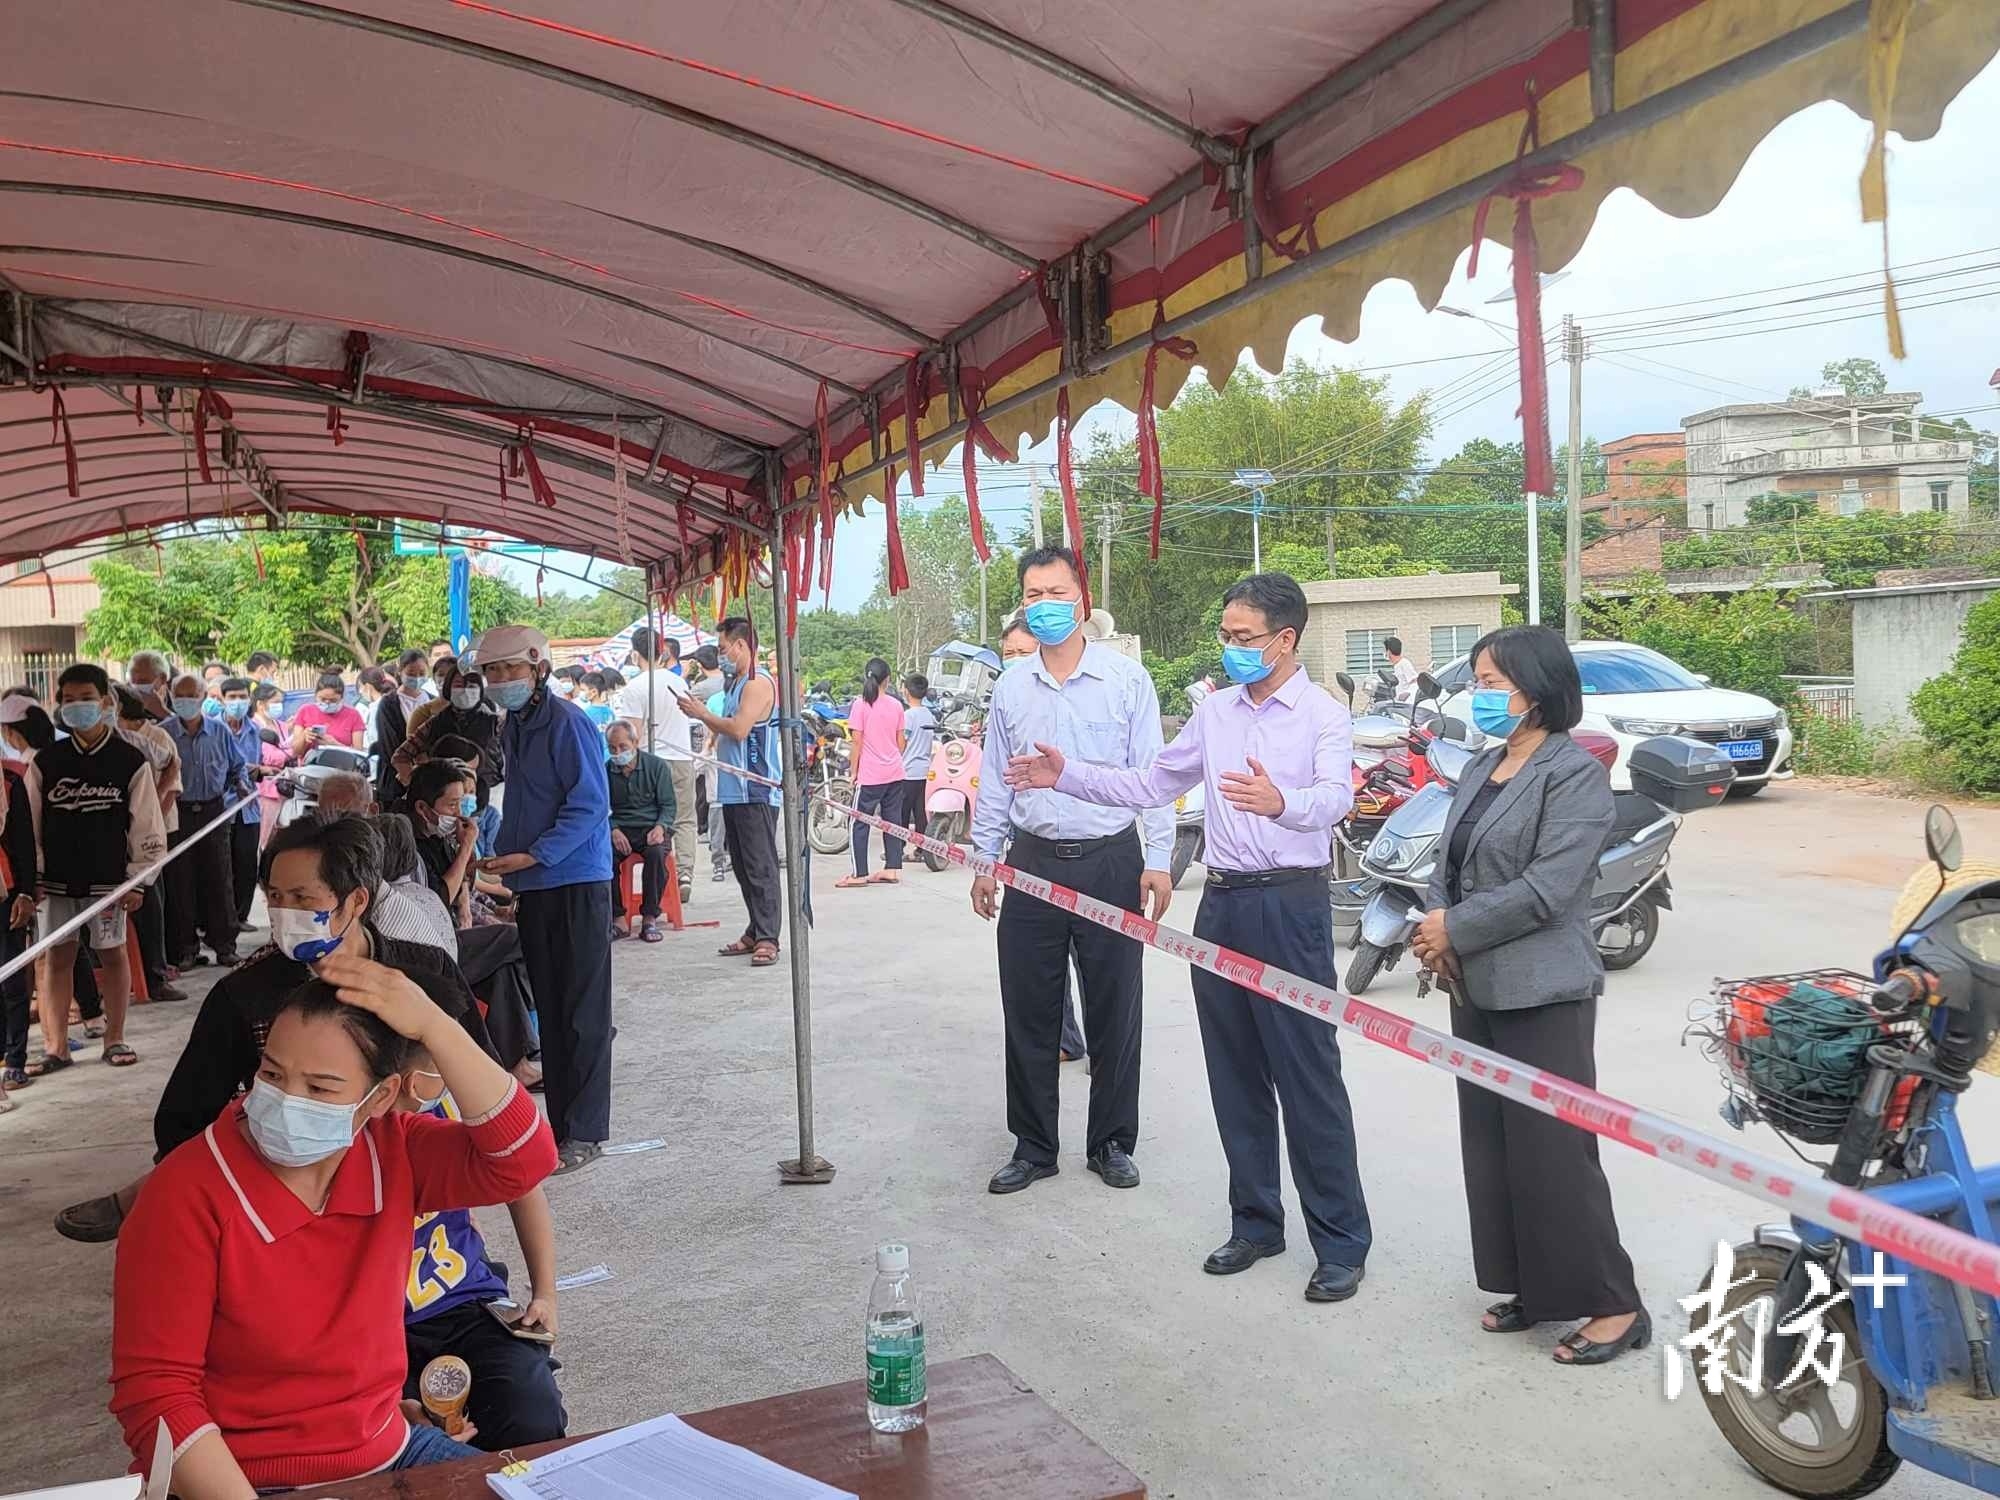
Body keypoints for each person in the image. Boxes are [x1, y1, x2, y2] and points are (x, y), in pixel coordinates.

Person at [1006, 572, 1373, 1302]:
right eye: (1226, 638)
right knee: (1234, 1072)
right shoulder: (1216, 715)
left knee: (1307, 1076)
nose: (1233, 650)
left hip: (1291, 908)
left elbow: (1336, 798)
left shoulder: (1323, 717)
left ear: (1285, 639)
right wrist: (1067, 774)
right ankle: (1256, 1222)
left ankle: (1340, 1242)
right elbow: (1150, 783)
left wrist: (1285, 802)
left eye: (1245, 639)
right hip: (1225, 907)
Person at [109, 958, 555, 1493]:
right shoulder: (184, 1194)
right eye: (272, 1074)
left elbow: (523, 1159)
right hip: (243, 1477)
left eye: (320, 1088)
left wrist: (436, 1027)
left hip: (388, 1448)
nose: (286, 1100)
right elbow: (156, 1395)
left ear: (382, 1098)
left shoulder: (394, 1151)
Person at [54, 812, 497, 1242]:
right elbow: (183, 1121)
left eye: (304, 899)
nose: (286, 913)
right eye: (276, 898)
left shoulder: (422, 970)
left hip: (410, 1162)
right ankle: (142, 1195)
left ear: (357, 901)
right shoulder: (246, 993)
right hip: (298, 1175)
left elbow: (484, 1075)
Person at [1409, 624, 1647, 1365]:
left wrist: (1458, 927)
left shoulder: (1572, 774)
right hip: (1475, 981)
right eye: (1475, 683)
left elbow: (1548, 888)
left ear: (1538, 692)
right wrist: (1439, 933)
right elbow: (1453, 858)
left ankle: (1614, 1305)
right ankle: (1538, 1289)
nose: (1478, 696)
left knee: (1555, 1151)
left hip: (1544, 989)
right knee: (1496, 1148)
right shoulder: (1486, 764)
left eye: (1491, 684)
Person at [969, 548, 1172, 1196]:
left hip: (1110, 859)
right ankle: (1033, 1146)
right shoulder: (1011, 685)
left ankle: (1111, 1142)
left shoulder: (1126, 681)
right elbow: (995, 782)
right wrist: (984, 859)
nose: (1044, 603)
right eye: (1033, 593)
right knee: (1029, 1009)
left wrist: (1159, 859)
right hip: (1031, 861)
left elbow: (1154, 778)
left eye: (1055, 591)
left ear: (1081, 601)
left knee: (1116, 1009)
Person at [475, 625, 614, 1174]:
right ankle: (562, 1128)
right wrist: (509, 855)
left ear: (538, 669)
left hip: (575, 879)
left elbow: (589, 807)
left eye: (510, 670)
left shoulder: (568, 723)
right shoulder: (514, 727)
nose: (500, 681)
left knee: (583, 1009)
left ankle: (584, 1131)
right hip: (535, 882)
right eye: (492, 672)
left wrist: (532, 856)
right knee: (550, 1011)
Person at [391, 1044, 566, 1450]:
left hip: (463, 1301)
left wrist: (546, 1294)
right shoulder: (332, 1142)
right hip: (372, 1330)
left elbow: (524, 1182)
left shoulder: (451, 1105)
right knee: (411, 1445)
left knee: (530, 1411)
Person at [22, 665, 169, 1075]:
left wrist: (140, 878)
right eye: (68, 700)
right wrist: (31, 877)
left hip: (110, 882)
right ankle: (56, 1049)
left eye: (85, 698)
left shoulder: (129, 760)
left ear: (106, 702)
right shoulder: (46, 762)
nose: (77, 707)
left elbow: (147, 826)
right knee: (57, 957)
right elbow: (29, 823)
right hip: (54, 882)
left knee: (113, 954)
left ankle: (115, 1038)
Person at [997, 619, 1089, 1067]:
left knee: (1095, 969)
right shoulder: (1009, 697)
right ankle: (1065, 1038)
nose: (1012, 662)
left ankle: (1098, 1047)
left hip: (1098, 855)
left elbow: (1143, 780)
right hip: (1033, 852)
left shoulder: (1111, 686)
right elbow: (997, 782)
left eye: (1020, 652)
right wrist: (986, 857)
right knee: (1041, 971)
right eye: (1006, 654)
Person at [677, 617, 782, 964]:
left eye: (723, 649)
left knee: (760, 865)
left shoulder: (757, 683)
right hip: (733, 788)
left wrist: (701, 713)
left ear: (741, 646)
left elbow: (738, 729)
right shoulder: (733, 683)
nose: (720, 656)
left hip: (755, 788)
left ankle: (768, 936)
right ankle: (755, 929)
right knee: (742, 865)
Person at [163, 670, 250, 969]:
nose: (186, 701)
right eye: (180, 696)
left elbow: (238, 767)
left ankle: (225, 945)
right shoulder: (164, 734)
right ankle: (186, 948)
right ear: (172, 698)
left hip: (214, 811)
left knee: (219, 878)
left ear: (203, 698)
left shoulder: (220, 731)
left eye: (192, 696)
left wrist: (241, 787)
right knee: (180, 881)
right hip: (177, 813)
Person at [113, 685, 189, 1004]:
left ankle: (155, 976)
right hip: (108, 839)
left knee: (150, 902)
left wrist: (152, 812)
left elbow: (172, 772)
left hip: (148, 835)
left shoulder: (145, 741)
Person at [616, 627, 696, 908]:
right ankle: (684, 876)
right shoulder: (680, 683)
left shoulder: (635, 687)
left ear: (635, 654)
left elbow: (630, 734)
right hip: (682, 757)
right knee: (684, 818)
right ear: (663, 651)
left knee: (655, 821)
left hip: (650, 763)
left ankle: (659, 882)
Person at [0, 695, 44, 1092]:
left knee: (12, 978)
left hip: (6, 892)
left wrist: (26, 894)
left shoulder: (10, 782)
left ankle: (14, 1057)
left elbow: (24, 845)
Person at [393, 666, 505, 808]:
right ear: (448, 689)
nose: (465, 690)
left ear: (480, 690)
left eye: (471, 686)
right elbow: (401, 755)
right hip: (444, 803)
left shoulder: (495, 724)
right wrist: (416, 782)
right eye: (459, 685)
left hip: (487, 799)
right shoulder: (434, 723)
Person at [838, 657, 907, 889]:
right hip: (895, 773)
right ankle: (892, 868)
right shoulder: (896, 705)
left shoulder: (860, 705)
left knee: (858, 822)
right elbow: (900, 742)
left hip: (870, 775)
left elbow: (856, 743)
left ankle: (859, 873)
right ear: (887, 680)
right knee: (893, 821)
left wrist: (853, 772)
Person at [604, 720, 675, 942]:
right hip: (621, 830)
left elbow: (669, 805)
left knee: (656, 855)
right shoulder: (605, 771)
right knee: (603, 858)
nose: (618, 753)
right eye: (612, 748)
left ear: (635, 743)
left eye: (623, 747)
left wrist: (660, 827)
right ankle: (618, 918)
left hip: (651, 827)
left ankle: (649, 917)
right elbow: (599, 808)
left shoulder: (657, 767)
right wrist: (613, 829)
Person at [217, 677, 270, 929]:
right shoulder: (214, 729)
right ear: (222, 699)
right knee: (223, 867)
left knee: (247, 863)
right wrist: (251, 768)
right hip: (221, 806)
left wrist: (256, 770)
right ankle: (222, 918)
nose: (237, 702)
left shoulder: (255, 730)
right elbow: (224, 765)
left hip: (249, 806)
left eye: (241, 697)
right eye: (232, 697)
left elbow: (257, 765)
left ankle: (241, 916)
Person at [372, 648, 433, 800]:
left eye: (421, 673)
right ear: (400, 671)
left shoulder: (433, 701)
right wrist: (407, 767)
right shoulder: (388, 704)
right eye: (411, 674)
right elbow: (389, 743)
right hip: (395, 781)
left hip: (429, 777)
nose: (417, 678)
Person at [896, 672, 936, 872]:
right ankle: (921, 849)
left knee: (902, 811)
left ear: (907, 691)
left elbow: (903, 742)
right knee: (920, 813)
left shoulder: (908, 716)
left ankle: (898, 848)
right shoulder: (929, 714)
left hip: (908, 770)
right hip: (924, 769)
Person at [250, 682, 291, 847]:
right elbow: (268, 757)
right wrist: (293, 750)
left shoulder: (281, 725)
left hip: (284, 785)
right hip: (265, 788)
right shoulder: (254, 726)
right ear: (260, 704)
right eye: (274, 702)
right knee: (264, 837)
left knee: (281, 835)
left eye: (280, 702)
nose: (278, 706)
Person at [290, 670, 366, 756]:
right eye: (322, 699)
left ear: (341, 698)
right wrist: (304, 737)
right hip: (310, 767)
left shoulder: (353, 715)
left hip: (341, 766)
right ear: (315, 695)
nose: (327, 703)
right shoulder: (305, 711)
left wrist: (335, 745)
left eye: (333, 700)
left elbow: (359, 754)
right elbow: (295, 753)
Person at [126, 649, 173, 722]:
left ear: (163, 678)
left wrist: (163, 712)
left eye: (143, 681)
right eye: (133, 681)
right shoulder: (123, 704)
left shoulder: (181, 701)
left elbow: (186, 730)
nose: (136, 686)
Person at [1384, 636, 1419, 704]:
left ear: (1389, 652)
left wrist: (1407, 694)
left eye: (1385, 650)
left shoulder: (1404, 663)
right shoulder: (1397, 665)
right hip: (1399, 702)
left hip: (1407, 703)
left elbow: (1415, 681)